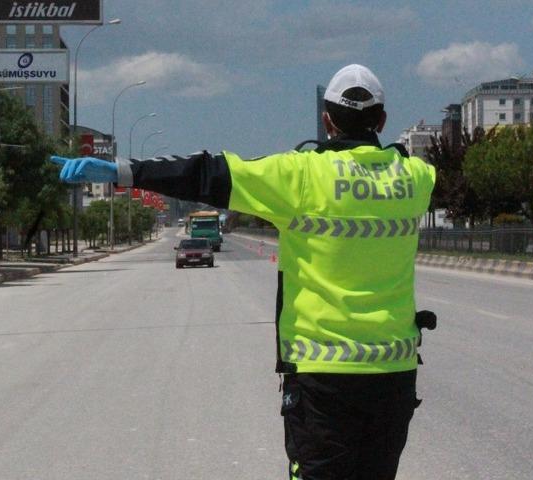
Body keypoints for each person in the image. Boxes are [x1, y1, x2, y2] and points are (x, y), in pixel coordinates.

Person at [51, 64, 436, 480]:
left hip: (323, 380)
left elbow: (207, 173)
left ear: (326, 122)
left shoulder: (301, 175)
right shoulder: (416, 178)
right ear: (381, 120)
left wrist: (122, 171)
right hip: (394, 378)